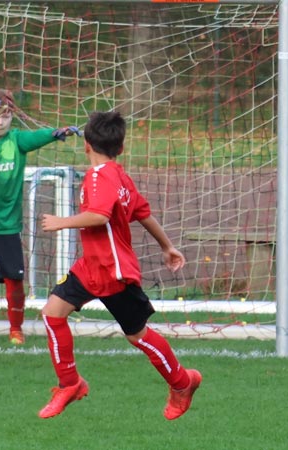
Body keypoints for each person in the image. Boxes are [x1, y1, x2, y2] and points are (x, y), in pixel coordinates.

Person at [38, 110, 201, 420]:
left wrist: (61, 222)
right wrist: (167, 246)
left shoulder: (99, 176)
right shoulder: (120, 176)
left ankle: (183, 382)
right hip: (91, 266)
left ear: (86, 145)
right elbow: (143, 213)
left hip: (112, 271)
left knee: (137, 335)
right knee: (53, 313)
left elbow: (99, 216)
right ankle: (70, 384)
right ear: (121, 148)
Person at [0, 88, 80, 346]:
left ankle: (16, 330)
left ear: (12, 116)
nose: (0, 121)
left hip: (8, 227)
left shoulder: (17, 141)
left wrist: (57, 132)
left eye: (5, 115)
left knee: (15, 281)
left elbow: (37, 136)